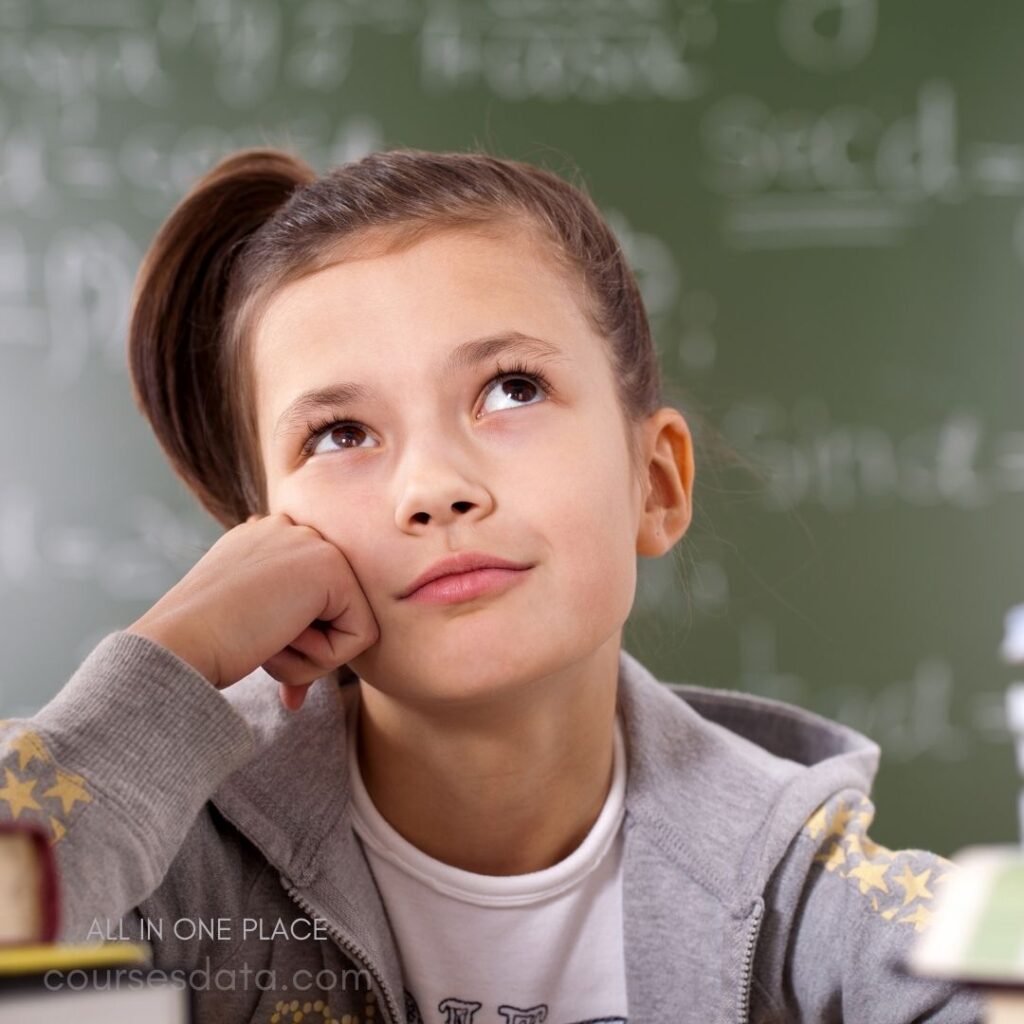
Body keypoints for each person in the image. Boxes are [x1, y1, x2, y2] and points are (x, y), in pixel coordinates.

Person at [0, 147, 983, 1024]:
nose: (434, 488)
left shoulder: (792, 882)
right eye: (339, 434)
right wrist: (173, 653)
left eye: (510, 388)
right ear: (261, 542)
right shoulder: (177, 873)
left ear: (655, 482)